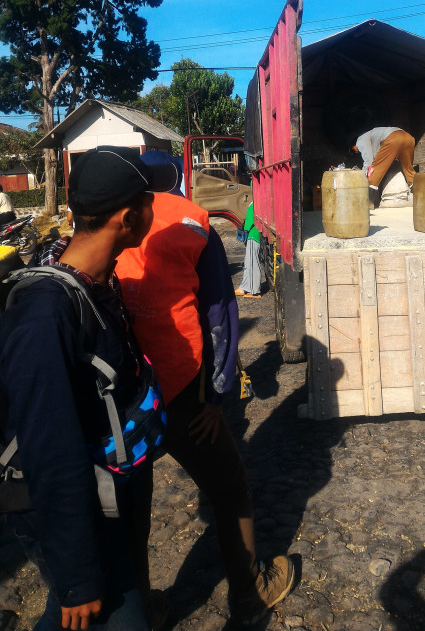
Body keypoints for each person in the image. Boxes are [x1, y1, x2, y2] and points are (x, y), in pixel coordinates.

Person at [0, 146, 177, 631]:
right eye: (148, 201)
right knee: (98, 613)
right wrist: (76, 575)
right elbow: (48, 450)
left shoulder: (94, 278)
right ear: (127, 218)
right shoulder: (45, 316)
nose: (154, 210)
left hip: (106, 492)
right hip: (71, 506)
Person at [115, 151, 294, 628]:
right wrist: (217, 394)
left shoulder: (106, 223)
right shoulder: (192, 225)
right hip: (181, 390)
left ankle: (141, 609)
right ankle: (249, 593)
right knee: (231, 488)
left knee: (132, 506)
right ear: (176, 179)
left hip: (125, 395)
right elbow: (219, 317)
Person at [350, 127, 416, 209]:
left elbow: (369, 162)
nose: (357, 151)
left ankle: (368, 203)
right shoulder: (373, 136)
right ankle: (422, 197)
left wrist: (363, 177)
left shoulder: (360, 140)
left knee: (374, 170)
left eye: (355, 150)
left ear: (354, 144)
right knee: (409, 170)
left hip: (393, 139)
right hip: (408, 138)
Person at [235, 199, 262, 299]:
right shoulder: (254, 202)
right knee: (248, 261)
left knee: (252, 262)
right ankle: (244, 287)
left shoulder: (257, 202)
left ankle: (254, 290)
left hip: (253, 235)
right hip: (250, 235)